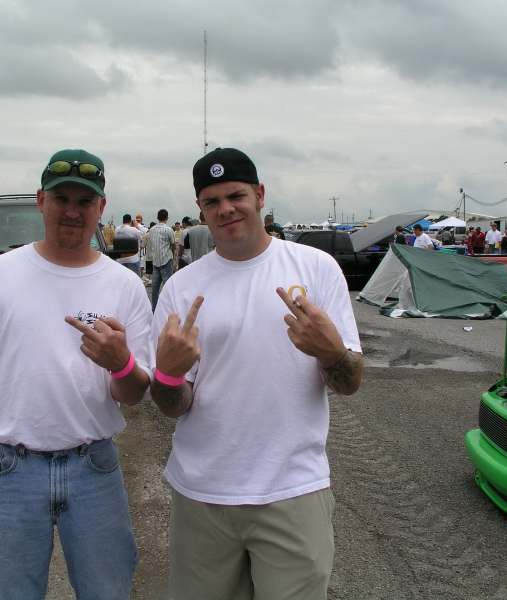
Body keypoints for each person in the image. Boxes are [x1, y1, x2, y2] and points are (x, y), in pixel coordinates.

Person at [0, 148, 151, 600]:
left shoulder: (124, 285)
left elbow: (134, 393)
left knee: (108, 591)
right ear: (41, 201)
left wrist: (120, 363)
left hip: (94, 470)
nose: (73, 211)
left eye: (85, 201)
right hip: (8, 472)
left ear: (101, 208)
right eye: (61, 198)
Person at [150, 147, 363, 600]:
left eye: (236, 196)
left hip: (293, 488)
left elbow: (350, 382)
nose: (225, 209)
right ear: (201, 210)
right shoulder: (181, 288)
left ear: (260, 195)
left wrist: (331, 354)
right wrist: (167, 376)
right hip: (203, 492)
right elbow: (174, 406)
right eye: (212, 201)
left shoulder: (315, 268)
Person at [144, 208, 176, 311]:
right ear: (167, 218)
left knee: (155, 289)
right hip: (166, 260)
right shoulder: (169, 230)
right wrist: (174, 259)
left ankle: (154, 310)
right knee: (168, 288)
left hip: (155, 262)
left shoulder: (152, 230)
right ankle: (168, 309)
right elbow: (173, 245)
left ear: (157, 218)